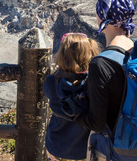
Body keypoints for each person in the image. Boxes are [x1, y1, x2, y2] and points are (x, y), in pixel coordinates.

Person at [75, 0, 135, 159]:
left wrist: (72, 114)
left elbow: (97, 123)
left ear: (102, 15)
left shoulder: (101, 64)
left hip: (116, 149)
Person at [43, 32, 100, 161]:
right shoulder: (94, 84)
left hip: (56, 147)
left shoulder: (51, 82)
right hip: (84, 150)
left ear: (62, 55)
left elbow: (49, 94)